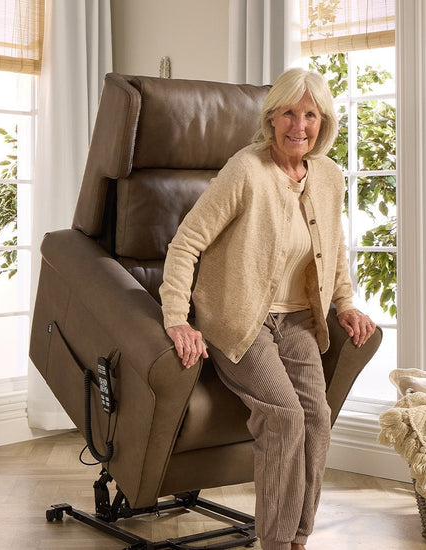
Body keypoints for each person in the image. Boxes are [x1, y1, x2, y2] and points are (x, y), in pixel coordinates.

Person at [159, 68, 377, 550]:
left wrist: (345, 304)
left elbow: (334, 248)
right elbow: (185, 243)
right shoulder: (246, 170)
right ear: (271, 118)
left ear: (324, 122)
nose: (299, 125)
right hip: (239, 320)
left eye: (310, 115)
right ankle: (276, 543)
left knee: (316, 415)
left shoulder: (328, 176)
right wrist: (177, 318)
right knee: (284, 416)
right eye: (288, 114)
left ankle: (298, 536)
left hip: (298, 318)